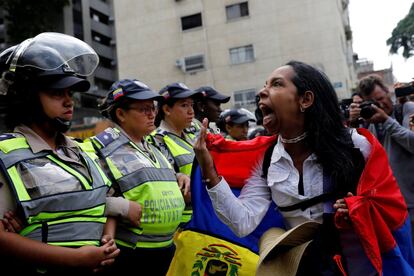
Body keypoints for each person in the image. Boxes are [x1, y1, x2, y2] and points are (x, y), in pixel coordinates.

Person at [194, 61, 414, 275]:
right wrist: (209, 170)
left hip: (361, 267)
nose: (262, 91)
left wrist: (358, 209)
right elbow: (243, 222)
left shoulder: (356, 146)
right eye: (264, 85)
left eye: (276, 84)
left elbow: (391, 208)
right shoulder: (267, 160)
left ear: (305, 99)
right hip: (304, 266)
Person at [0, 32, 119, 274]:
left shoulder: (80, 151)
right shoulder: (5, 153)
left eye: (70, 94)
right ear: (26, 98)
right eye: (57, 93)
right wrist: (74, 259)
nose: (69, 102)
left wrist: (107, 239)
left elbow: (102, 206)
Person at [90, 79, 187, 275]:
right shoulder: (99, 149)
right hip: (131, 255)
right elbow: (85, 199)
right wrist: (122, 208)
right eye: (144, 109)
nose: (152, 114)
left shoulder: (151, 146)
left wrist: (179, 176)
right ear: (121, 114)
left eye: (153, 107)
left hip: (164, 250)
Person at [351, 75, 414, 238]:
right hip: (390, 207)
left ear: (388, 92)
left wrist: (386, 121)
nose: (379, 105)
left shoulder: (407, 109)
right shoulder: (370, 123)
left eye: (380, 98)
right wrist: (354, 124)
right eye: (373, 102)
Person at [149, 82, 201, 226]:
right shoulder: (156, 140)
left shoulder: (192, 135)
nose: (191, 111)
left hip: (203, 215)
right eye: (184, 105)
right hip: (183, 224)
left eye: (191, 105)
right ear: (166, 109)